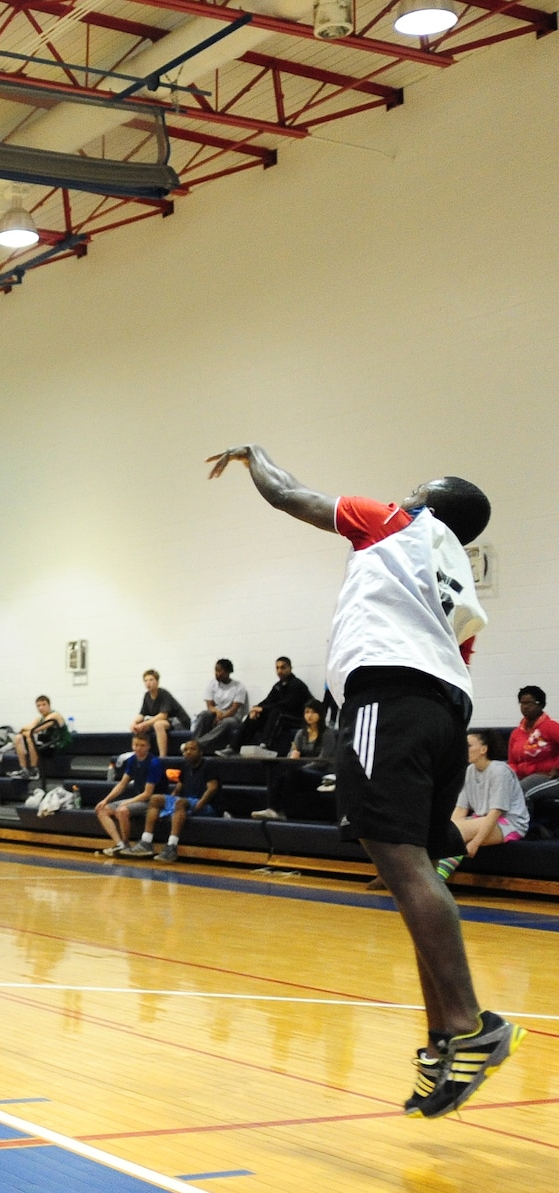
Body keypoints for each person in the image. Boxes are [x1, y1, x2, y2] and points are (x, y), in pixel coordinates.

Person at [209, 442, 517, 1118]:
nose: (404, 492)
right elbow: (453, 658)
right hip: (446, 712)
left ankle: (470, 1024)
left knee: (400, 863)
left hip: (387, 700)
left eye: (415, 488)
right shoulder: (459, 587)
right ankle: (443, 1041)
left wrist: (254, 455)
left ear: (428, 502)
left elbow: (291, 494)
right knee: (421, 869)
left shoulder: (397, 522)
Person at [434, 730, 529, 881]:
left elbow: (495, 813)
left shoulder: (499, 771)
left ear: (484, 749)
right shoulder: (469, 771)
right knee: (442, 830)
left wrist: (476, 842)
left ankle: (434, 881)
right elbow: (461, 808)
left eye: (469, 746)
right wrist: (447, 826)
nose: (464, 749)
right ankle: (432, 879)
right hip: (481, 818)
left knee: (456, 833)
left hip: (509, 823)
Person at [253, 701, 339, 822]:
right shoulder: (301, 733)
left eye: (313, 712)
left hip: (323, 772)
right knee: (280, 773)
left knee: (294, 774)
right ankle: (272, 809)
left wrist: (301, 767)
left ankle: (284, 811)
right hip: (304, 771)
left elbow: (322, 761)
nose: (309, 715)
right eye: (307, 712)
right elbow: (291, 754)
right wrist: (292, 755)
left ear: (321, 714)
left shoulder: (327, 733)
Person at [93, 733, 168, 858]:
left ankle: (126, 844)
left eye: (142, 745)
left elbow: (148, 793)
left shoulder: (154, 763)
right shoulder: (132, 760)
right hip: (139, 798)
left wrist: (127, 803)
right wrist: (105, 800)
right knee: (102, 809)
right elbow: (122, 784)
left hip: (153, 801)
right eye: (135, 745)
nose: (138, 748)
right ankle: (120, 844)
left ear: (149, 746)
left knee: (122, 810)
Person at [143, 740, 220, 862]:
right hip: (186, 802)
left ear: (200, 752)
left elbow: (212, 788)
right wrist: (170, 800)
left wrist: (199, 805)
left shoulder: (208, 765)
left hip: (206, 805)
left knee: (180, 803)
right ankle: (146, 842)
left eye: (192, 749)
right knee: (155, 799)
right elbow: (179, 786)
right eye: (186, 750)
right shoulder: (185, 765)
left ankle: (172, 846)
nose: (188, 752)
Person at [241, 656, 314, 756]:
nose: (280, 671)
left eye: (283, 667)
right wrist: (255, 709)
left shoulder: (297, 685)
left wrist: (263, 709)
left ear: (290, 668)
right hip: (284, 715)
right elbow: (268, 701)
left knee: (277, 712)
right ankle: (236, 747)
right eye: (277, 668)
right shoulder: (278, 686)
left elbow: (287, 704)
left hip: (299, 718)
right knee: (254, 715)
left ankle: (265, 746)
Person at [506, 686, 559, 803]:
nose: (525, 707)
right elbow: (512, 762)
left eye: (529, 703)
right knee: (504, 789)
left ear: (540, 705)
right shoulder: (516, 733)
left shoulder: (550, 727)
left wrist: (557, 766)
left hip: (550, 777)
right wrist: (514, 776)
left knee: (520, 791)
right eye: (522, 703)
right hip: (523, 777)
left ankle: (518, 821)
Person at [190, 660, 248, 755]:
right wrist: (217, 713)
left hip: (232, 718)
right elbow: (210, 705)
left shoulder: (239, 686)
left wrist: (222, 716)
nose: (216, 673)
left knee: (227, 722)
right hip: (217, 714)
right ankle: (193, 743)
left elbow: (234, 709)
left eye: (219, 671)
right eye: (215, 670)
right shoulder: (212, 684)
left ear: (227, 671)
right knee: (204, 714)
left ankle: (197, 744)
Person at [131, 669, 189, 759]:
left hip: (178, 721)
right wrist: (134, 723)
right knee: (140, 726)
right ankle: (141, 754)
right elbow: (142, 714)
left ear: (157, 682)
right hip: (167, 721)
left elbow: (163, 715)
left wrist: (145, 723)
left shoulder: (163, 694)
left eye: (151, 680)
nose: (148, 683)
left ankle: (163, 757)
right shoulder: (147, 696)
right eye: (146, 680)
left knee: (158, 725)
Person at [6, 696, 67, 780]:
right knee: (18, 737)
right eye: (38, 706)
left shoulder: (54, 715)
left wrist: (26, 730)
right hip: (47, 742)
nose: (41, 708)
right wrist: (24, 730)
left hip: (60, 744)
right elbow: (29, 727)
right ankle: (24, 769)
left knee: (29, 736)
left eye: (43, 705)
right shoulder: (39, 718)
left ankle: (34, 770)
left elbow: (35, 729)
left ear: (49, 705)